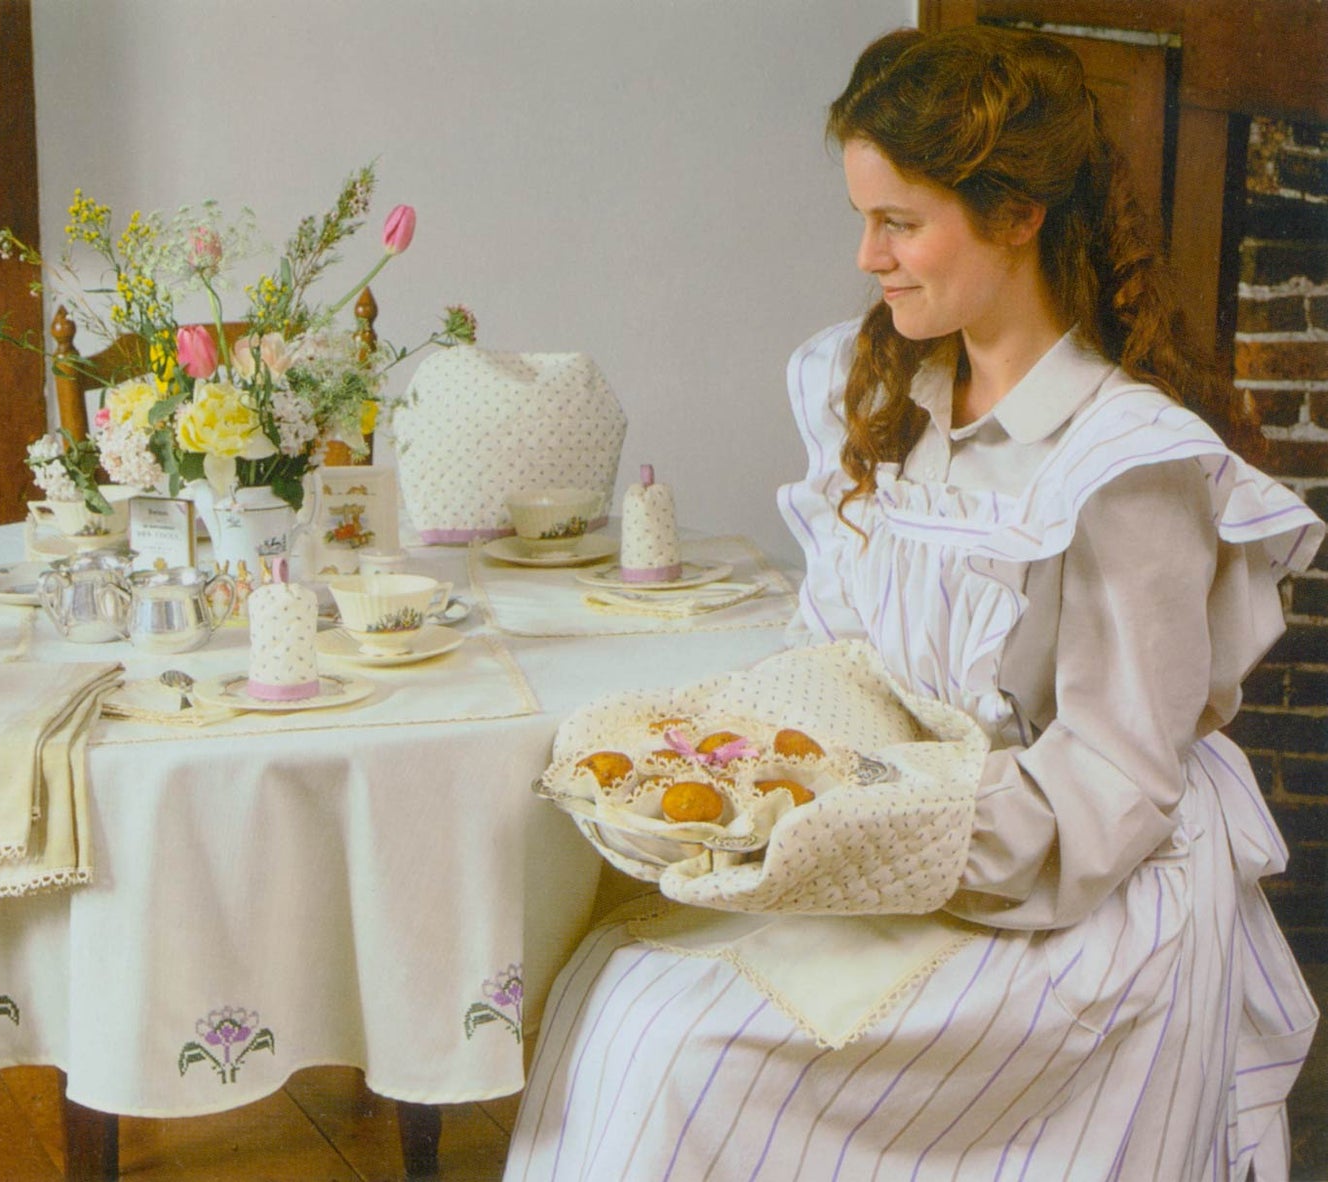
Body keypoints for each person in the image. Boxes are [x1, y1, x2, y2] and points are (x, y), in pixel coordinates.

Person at [506, 24, 1323, 1180]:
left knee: (679, 1046)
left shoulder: (1121, 468)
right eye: (863, 219)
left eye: (898, 222)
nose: (865, 257)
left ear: (1018, 214)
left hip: (1067, 892)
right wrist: (779, 789)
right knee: (616, 979)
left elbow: (1114, 782)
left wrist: (893, 843)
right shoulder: (879, 390)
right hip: (905, 827)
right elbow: (841, 659)